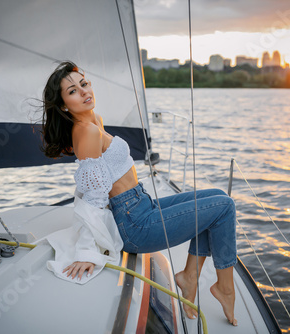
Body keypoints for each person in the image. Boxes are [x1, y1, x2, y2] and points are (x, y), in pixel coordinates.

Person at [41, 61, 238, 326]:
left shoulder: (95, 122)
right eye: (73, 91)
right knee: (223, 206)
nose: (84, 91)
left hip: (143, 204)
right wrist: (88, 252)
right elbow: (94, 198)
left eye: (84, 84)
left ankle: (190, 276)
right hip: (135, 226)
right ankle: (225, 288)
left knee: (214, 195)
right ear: (64, 104)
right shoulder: (86, 131)